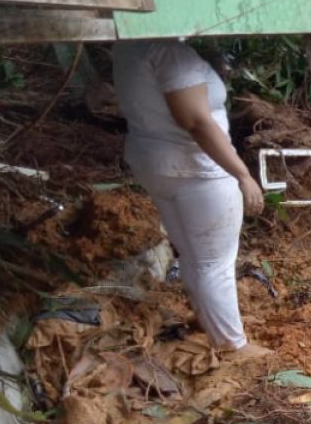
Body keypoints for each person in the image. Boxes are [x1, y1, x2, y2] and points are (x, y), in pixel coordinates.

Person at [112, 41, 267, 358]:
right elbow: (196, 121)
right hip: (198, 171)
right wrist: (242, 174)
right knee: (214, 263)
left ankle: (210, 320)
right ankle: (233, 345)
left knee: (194, 255)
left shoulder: (128, 47)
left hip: (155, 165)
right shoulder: (171, 54)